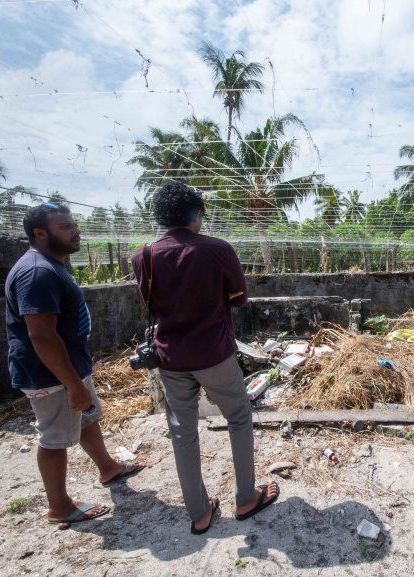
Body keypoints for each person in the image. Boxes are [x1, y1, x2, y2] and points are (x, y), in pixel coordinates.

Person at [131, 180, 278, 535]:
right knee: (238, 417)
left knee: (183, 433)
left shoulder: (143, 256)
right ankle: (246, 498)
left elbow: (151, 303)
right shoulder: (217, 249)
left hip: (171, 359)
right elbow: (240, 298)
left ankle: (199, 513)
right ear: (196, 215)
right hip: (214, 354)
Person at [5, 203, 144, 525]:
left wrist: (78, 380)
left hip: (69, 367)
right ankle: (60, 506)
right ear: (40, 233)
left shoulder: (50, 265)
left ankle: (108, 467)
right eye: (65, 227)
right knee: (55, 437)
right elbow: (41, 336)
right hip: (51, 374)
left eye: (73, 225)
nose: (75, 231)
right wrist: (72, 385)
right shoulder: (37, 273)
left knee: (85, 417)